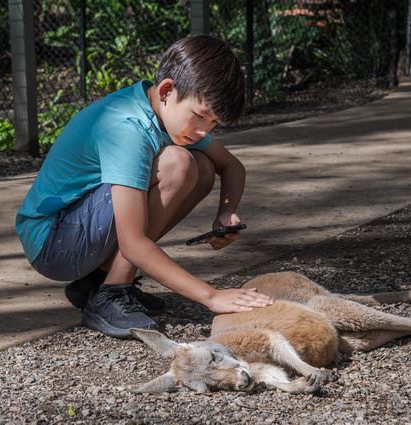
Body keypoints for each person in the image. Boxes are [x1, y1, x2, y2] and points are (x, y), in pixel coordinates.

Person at [15, 35, 274, 338]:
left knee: (202, 168)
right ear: (167, 90)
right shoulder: (128, 129)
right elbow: (133, 242)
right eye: (200, 116)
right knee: (179, 164)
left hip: (76, 232)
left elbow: (232, 166)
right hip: (53, 243)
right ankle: (110, 295)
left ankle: (97, 282)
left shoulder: (170, 114)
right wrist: (211, 296)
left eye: (214, 122)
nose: (205, 129)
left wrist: (226, 212)